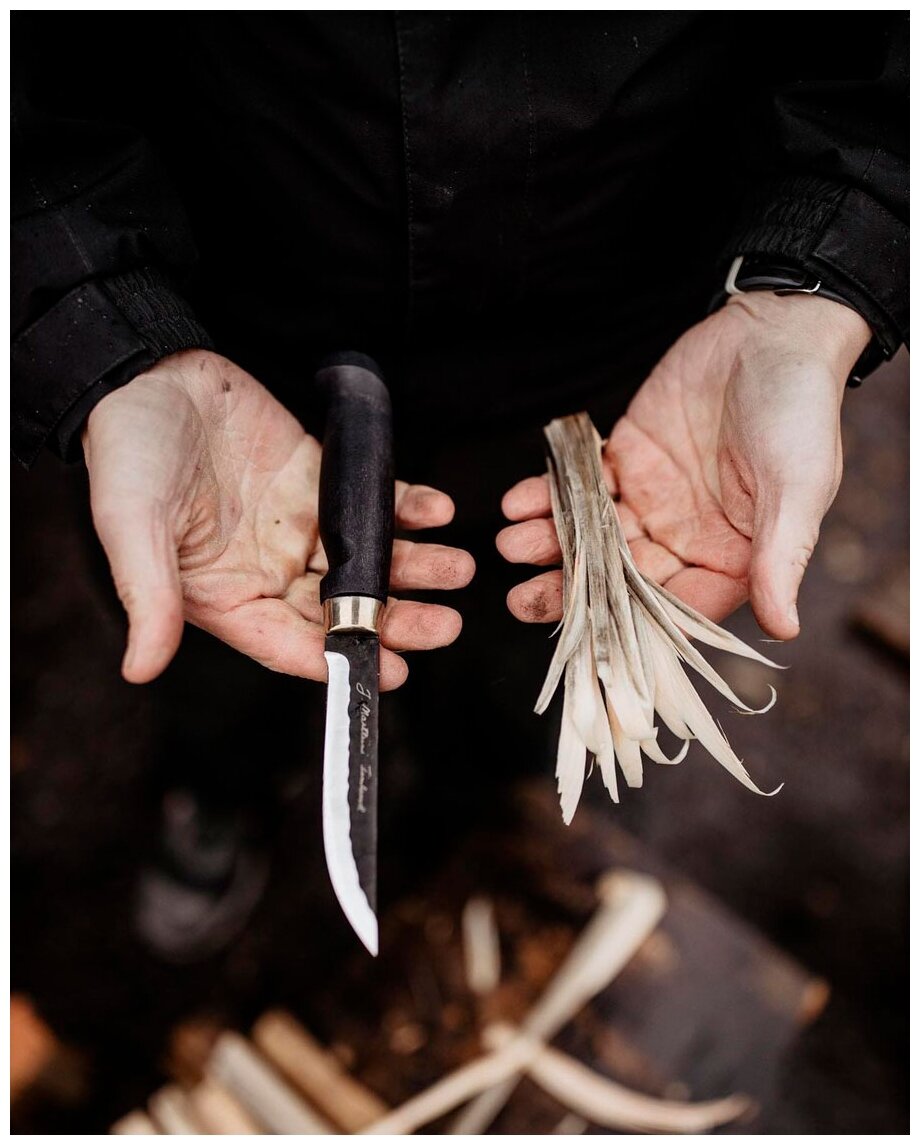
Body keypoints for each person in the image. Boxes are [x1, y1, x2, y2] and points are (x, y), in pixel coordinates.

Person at [13, 14, 907, 959]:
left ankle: (471, 825)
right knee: (224, 663)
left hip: (615, 379)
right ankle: (219, 787)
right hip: (228, 364)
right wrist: (101, 321)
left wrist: (813, 284)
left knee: (510, 675)